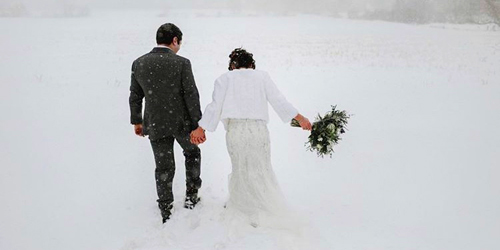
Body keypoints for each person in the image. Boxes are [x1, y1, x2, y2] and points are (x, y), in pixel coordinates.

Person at [190, 48, 311, 227]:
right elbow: (279, 100)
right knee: (261, 168)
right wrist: (301, 119)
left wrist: (202, 129)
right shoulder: (262, 77)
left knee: (240, 167)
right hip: (258, 131)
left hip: (236, 132)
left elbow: (215, 107)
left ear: (232, 65)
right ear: (252, 64)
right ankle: (262, 205)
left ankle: (243, 205)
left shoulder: (224, 79)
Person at [129, 23, 205, 224]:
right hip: (182, 123)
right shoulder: (182, 63)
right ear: (174, 40)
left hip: (155, 123)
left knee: (163, 166)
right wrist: (197, 124)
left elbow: (135, 96)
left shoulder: (139, 63)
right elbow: (191, 95)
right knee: (192, 153)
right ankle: (191, 196)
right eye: (179, 42)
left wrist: (137, 121)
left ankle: (165, 207)